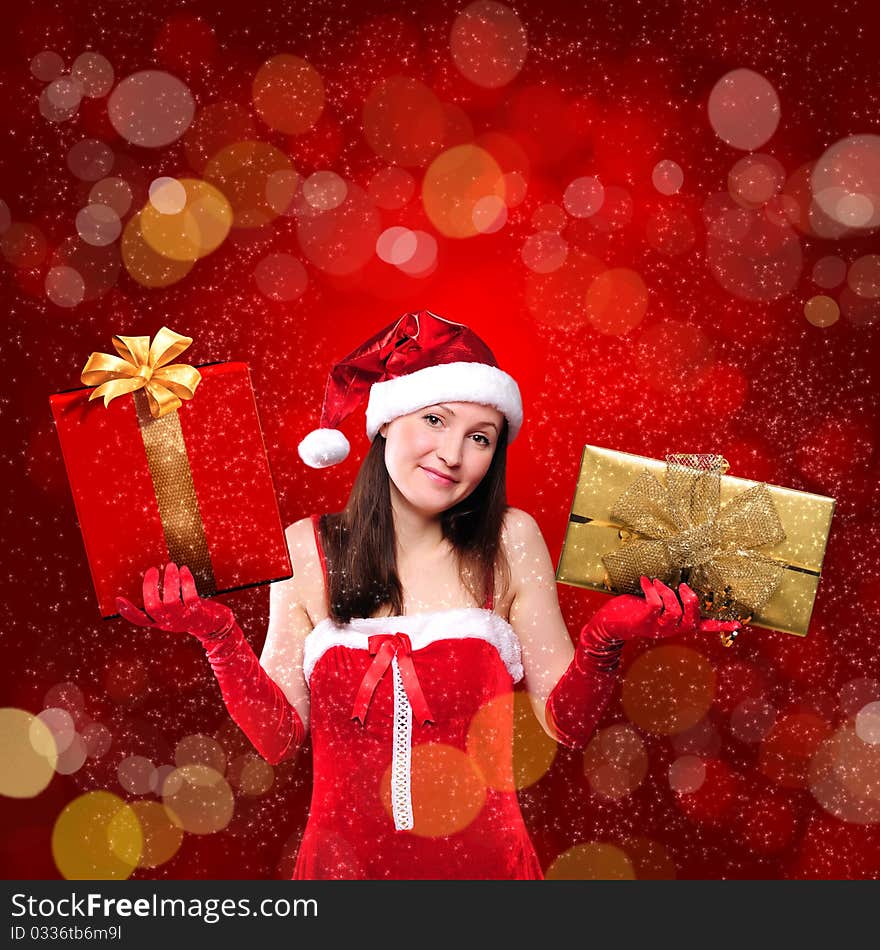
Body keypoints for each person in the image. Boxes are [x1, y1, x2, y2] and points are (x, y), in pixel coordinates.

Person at [116, 310, 741, 880]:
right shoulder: (306, 549)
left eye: (481, 436)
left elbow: (566, 725)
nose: (452, 454)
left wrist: (608, 636)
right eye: (436, 420)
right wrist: (218, 636)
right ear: (386, 423)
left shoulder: (511, 540)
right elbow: (279, 738)